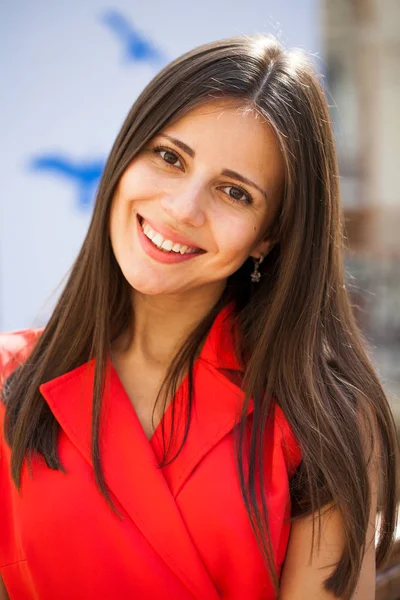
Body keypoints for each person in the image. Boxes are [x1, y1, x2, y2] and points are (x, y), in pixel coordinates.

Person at [0, 34, 398, 600]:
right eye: (169, 157)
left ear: (270, 237)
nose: (182, 210)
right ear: (125, 156)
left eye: (235, 193)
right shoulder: (9, 382)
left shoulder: (322, 415)